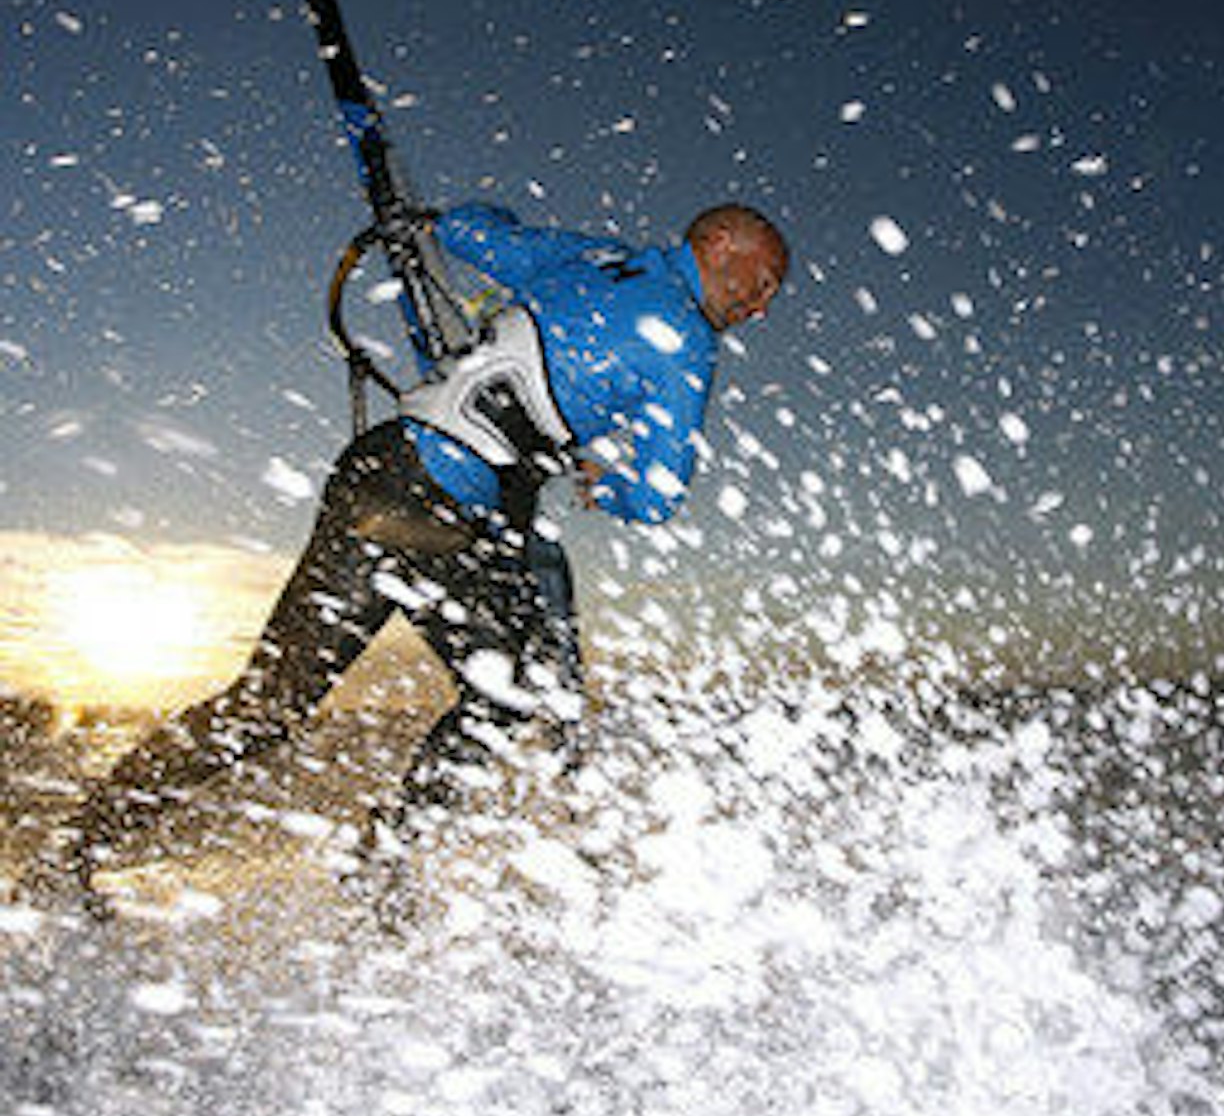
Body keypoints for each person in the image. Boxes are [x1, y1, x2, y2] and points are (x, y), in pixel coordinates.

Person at [59, 199, 788, 897]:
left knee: (270, 707)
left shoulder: (592, 257)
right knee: (512, 692)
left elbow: (470, 232)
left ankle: (78, 846)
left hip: (378, 474)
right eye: (759, 285)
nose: (759, 309)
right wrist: (611, 483)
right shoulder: (685, 340)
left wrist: (449, 219)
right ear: (717, 247)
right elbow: (660, 494)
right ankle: (385, 853)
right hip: (441, 514)